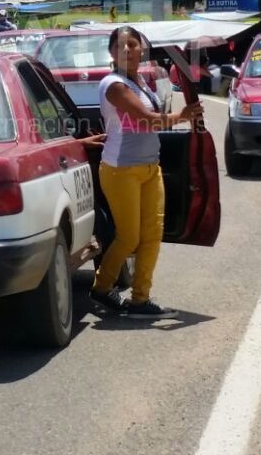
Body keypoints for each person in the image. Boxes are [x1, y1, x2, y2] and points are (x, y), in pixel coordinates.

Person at [90, 26, 203, 318]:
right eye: (120, 46)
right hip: (121, 169)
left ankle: (140, 299)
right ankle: (101, 287)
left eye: (133, 44)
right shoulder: (114, 84)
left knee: (152, 235)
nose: (127, 50)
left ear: (142, 49)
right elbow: (146, 120)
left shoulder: (139, 81)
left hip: (150, 167)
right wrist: (182, 116)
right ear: (111, 52)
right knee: (129, 238)